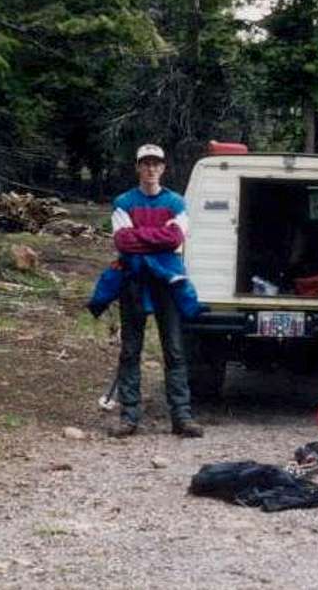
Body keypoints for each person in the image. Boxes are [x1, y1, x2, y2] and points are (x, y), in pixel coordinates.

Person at [108, 144, 204, 438]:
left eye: (156, 164)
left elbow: (176, 237)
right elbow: (122, 242)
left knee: (174, 349)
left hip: (167, 283)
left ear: (163, 168)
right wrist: (158, 241)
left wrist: (141, 238)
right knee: (130, 350)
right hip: (134, 282)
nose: (151, 169)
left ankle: (181, 417)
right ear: (138, 167)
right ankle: (129, 417)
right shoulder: (123, 201)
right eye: (145, 163)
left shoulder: (176, 202)